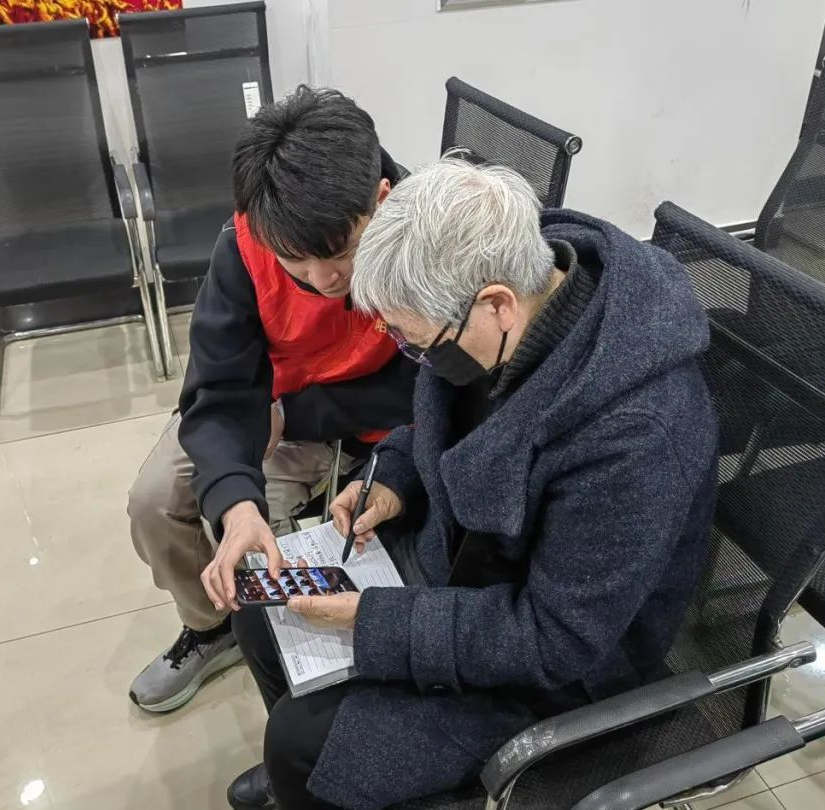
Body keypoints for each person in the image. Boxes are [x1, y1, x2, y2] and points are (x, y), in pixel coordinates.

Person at [209, 159, 719, 809]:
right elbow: (449, 416)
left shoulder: (636, 434)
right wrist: (396, 475)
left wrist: (374, 620)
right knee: (262, 610)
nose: (417, 357)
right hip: (466, 562)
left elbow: (555, 641)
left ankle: (312, 775)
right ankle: (311, 780)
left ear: (497, 305)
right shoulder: (509, 303)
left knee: (302, 742)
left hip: (556, 663)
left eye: (419, 344)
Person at [127, 87, 416, 713]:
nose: (324, 280)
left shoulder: (422, 236)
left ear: (381, 200)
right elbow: (220, 388)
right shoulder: (247, 243)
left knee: (270, 546)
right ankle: (211, 628)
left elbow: (426, 384)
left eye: (341, 254)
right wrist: (236, 502)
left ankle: (292, 666)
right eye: (296, 262)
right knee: (155, 503)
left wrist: (298, 416)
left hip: (353, 422)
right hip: (262, 405)